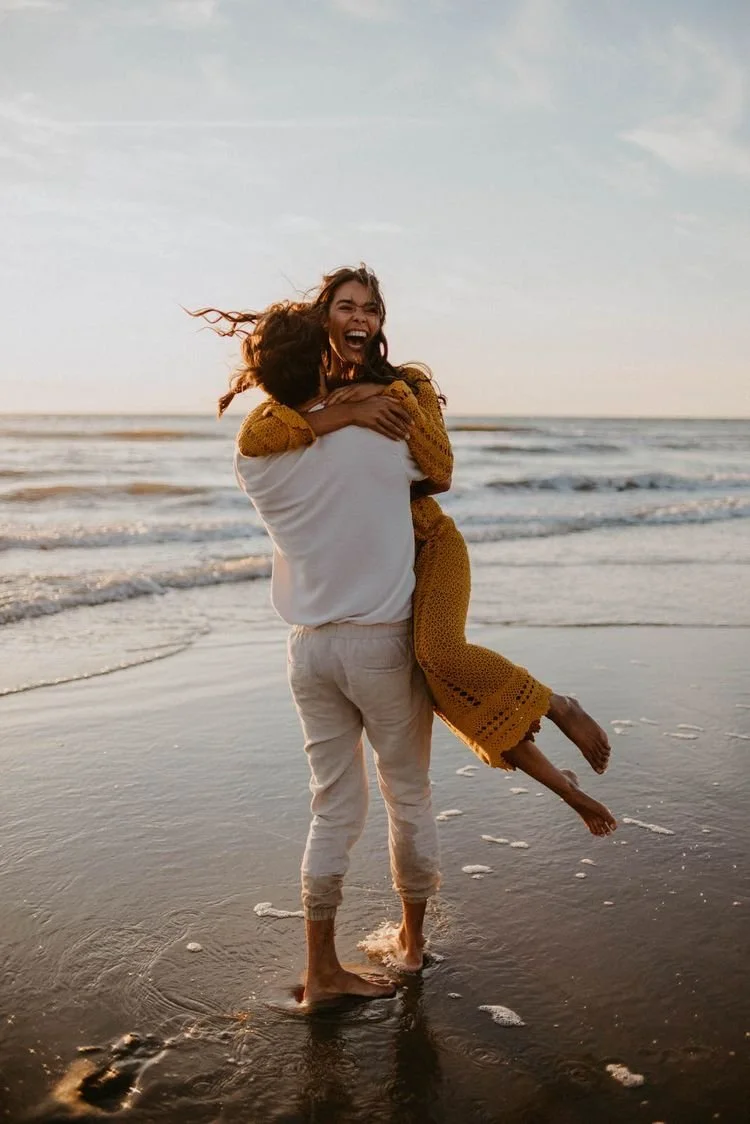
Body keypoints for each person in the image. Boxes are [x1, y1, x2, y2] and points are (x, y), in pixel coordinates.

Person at [194, 266, 617, 840]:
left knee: (442, 657)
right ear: (326, 320)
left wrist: (381, 397)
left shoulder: (407, 385)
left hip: (431, 547)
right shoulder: (307, 402)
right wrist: (341, 412)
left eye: (370, 309)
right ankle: (567, 790)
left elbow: (439, 471)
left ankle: (558, 704)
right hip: (378, 570)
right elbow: (256, 439)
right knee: (447, 696)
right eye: (347, 307)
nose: (360, 318)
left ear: (380, 322)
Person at [220, 301, 441, 1005]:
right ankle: (410, 948)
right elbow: (436, 468)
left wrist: (335, 406)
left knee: (332, 810)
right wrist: (378, 394)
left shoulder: (255, 459)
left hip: (308, 652)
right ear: (324, 354)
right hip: (379, 642)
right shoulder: (383, 434)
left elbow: (289, 431)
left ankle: (321, 970)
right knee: (407, 797)